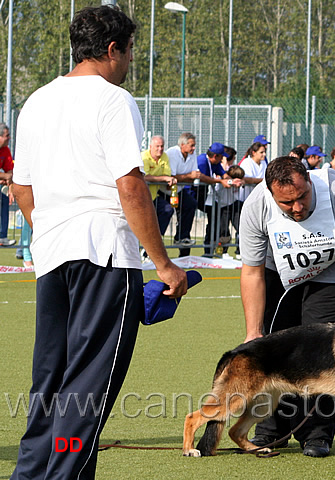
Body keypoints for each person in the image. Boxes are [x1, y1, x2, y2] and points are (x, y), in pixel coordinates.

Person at [10, 6, 188, 479]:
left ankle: (30, 474)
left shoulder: (35, 101)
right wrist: (164, 264)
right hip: (103, 251)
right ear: (113, 49)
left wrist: (48, 230)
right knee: (88, 386)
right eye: (130, 52)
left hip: (52, 254)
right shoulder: (112, 99)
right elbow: (129, 186)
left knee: (50, 380)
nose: (130, 62)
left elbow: (21, 188)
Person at [239, 156, 335, 459]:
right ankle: (272, 428)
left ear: (309, 180)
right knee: (276, 350)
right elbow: (252, 272)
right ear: (271, 194)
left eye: (302, 196)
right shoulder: (256, 205)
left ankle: (317, 433)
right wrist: (253, 332)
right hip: (277, 274)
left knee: (325, 355)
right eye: (287, 203)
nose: (297, 207)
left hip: (329, 274)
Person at [195, 142, 236, 256]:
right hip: (193, 193)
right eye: (221, 156)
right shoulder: (202, 160)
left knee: (214, 219)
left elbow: (223, 175)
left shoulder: (215, 163)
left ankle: (210, 249)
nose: (222, 159)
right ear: (215, 156)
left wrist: (230, 181)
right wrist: (220, 181)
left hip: (205, 195)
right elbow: (202, 178)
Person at [165, 132, 200, 256]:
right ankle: (153, 246)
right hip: (164, 191)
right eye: (191, 145)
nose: (194, 148)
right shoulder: (172, 153)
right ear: (182, 145)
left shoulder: (192, 154)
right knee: (166, 212)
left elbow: (194, 177)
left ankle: (182, 238)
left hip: (178, 190)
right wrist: (188, 176)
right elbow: (172, 177)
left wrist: (186, 177)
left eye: (194, 145)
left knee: (190, 204)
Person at [142, 135, 176, 237]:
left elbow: (167, 175)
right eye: (157, 146)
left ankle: (157, 239)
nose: (160, 149)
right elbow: (144, 177)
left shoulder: (164, 156)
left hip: (153, 196)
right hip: (141, 197)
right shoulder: (143, 157)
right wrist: (164, 179)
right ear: (150, 146)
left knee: (168, 209)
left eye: (162, 146)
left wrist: (168, 179)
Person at [0, 123, 16, 246]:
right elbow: (7, 175)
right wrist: (4, 177)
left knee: (4, 200)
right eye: (7, 135)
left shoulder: (6, 150)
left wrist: (11, 189)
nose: (9, 138)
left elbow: (10, 172)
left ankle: (2, 237)